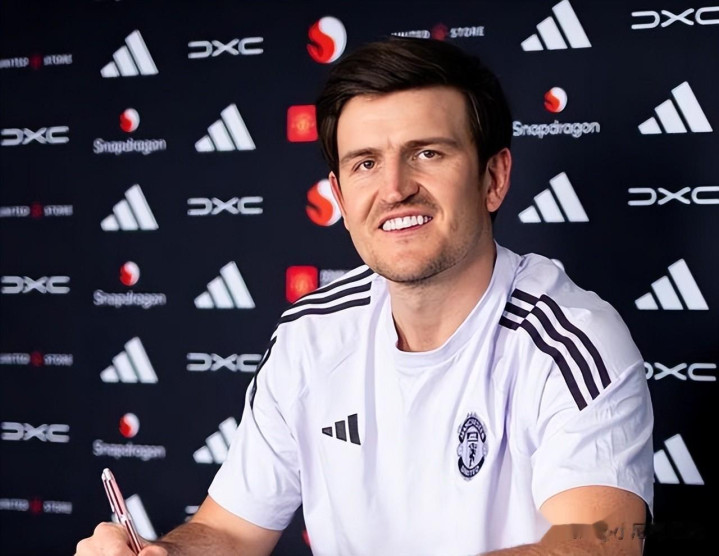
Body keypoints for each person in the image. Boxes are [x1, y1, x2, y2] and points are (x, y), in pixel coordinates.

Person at [76, 37, 654, 556]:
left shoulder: (572, 339)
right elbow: (229, 532)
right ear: (340, 196)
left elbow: (600, 544)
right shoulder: (310, 334)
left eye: (428, 153)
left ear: (493, 178)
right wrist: (164, 555)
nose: (394, 188)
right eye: (366, 163)